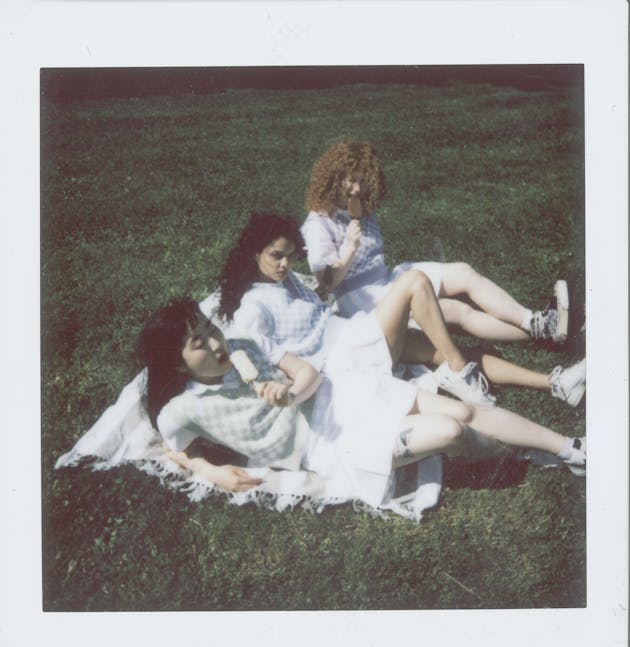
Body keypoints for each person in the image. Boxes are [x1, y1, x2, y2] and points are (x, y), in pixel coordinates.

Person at [135, 297, 585, 505]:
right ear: (178, 365)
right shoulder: (182, 409)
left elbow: (308, 371)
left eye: (209, 331)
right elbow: (173, 449)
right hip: (328, 447)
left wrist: (290, 392)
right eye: (198, 343)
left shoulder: (242, 343)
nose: (215, 344)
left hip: (341, 394)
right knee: (451, 431)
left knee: (464, 410)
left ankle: (570, 448)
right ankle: (515, 451)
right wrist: (209, 469)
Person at [217, 213, 586, 408]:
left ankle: (556, 383)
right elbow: (247, 353)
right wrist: (274, 388)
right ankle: (460, 371)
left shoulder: (286, 280)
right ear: (254, 254)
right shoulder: (253, 307)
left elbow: (319, 299)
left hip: (353, 334)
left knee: (446, 350)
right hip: (345, 359)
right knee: (414, 282)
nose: (284, 264)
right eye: (275, 256)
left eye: (289, 255)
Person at [300, 140, 571, 352]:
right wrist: (348, 249)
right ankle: (544, 335)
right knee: (456, 310)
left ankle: (535, 321)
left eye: (362, 180)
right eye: (350, 179)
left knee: (464, 272)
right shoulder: (318, 223)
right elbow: (327, 285)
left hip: (388, 278)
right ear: (333, 177)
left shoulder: (360, 209)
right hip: (363, 299)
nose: (357, 188)